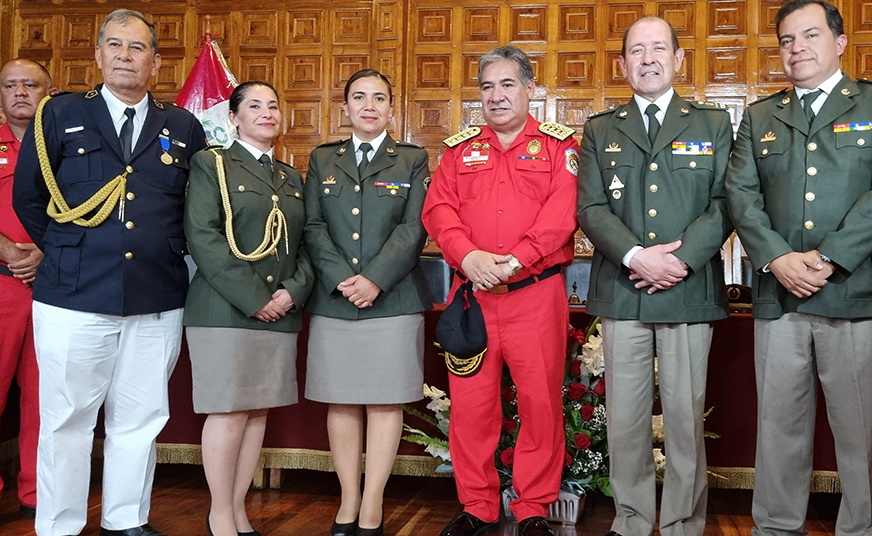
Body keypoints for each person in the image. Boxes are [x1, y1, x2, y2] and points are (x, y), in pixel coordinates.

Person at [12, 9, 207, 536]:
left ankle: (126, 521)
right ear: (98, 55)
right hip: (73, 293)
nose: (126, 55)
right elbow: (29, 195)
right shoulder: (59, 113)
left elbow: (196, 208)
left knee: (141, 421)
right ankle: (58, 525)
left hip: (155, 293)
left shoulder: (183, 126)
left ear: (156, 62)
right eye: (115, 46)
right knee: (67, 420)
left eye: (137, 47)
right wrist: (70, 246)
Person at [724, 1, 872, 535]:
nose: (797, 47)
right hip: (779, 292)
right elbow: (740, 194)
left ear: (839, 42)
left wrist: (829, 257)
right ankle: (777, 528)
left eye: (809, 35)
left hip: (854, 291)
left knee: (861, 431)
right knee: (778, 427)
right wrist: (779, 258)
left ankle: (867, 530)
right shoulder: (762, 115)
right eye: (786, 39)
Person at [577, 16, 734, 536]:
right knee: (625, 421)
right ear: (622, 64)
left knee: (686, 420)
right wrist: (636, 256)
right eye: (637, 50)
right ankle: (632, 520)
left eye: (658, 48)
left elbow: (725, 202)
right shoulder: (601, 128)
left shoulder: (712, 124)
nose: (648, 58)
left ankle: (684, 524)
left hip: (689, 289)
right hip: (625, 291)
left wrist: (681, 259)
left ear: (678, 59)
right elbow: (592, 208)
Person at [422, 45, 579, 536]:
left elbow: (562, 213)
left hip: (535, 295)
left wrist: (513, 261)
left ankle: (533, 509)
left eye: (507, 84)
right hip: (472, 298)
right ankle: (478, 507)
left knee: (540, 407)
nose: (496, 95)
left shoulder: (559, 148)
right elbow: (438, 211)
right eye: (487, 87)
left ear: (531, 89)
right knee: (471, 410)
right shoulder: (457, 150)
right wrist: (468, 257)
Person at [303, 69, 433, 536]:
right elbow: (312, 226)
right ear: (346, 108)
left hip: (394, 298)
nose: (369, 105)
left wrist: (374, 279)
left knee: (383, 402)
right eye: (359, 97)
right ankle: (348, 499)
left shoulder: (412, 159)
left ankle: (374, 500)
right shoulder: (323, 159)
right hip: (335, 299)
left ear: (392, 108)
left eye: (379, 97)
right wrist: (342, 279)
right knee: (340, 401)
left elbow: (414, 227)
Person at [184, 81, 313, 536]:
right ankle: (219, 513)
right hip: (225, 310)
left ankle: (238, 510)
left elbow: (306, 248)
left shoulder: (291, 177)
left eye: (273, 105)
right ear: (233, 118)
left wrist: (291, 292)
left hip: (280, 312)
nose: (266, 113)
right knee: (229, 410)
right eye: (254, 106)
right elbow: (203, 237)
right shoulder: (210, 163)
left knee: (257, 411)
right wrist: (257, 299)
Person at [0, 57, 51, 520]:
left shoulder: (62, 145)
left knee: (45, 397)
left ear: (46, 93)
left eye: (29, 84)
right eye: (11, 85)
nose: (20, 92)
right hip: (1, 287)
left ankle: (38, 495)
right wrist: (8, 250)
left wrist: (43, 251)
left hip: (52, 285)